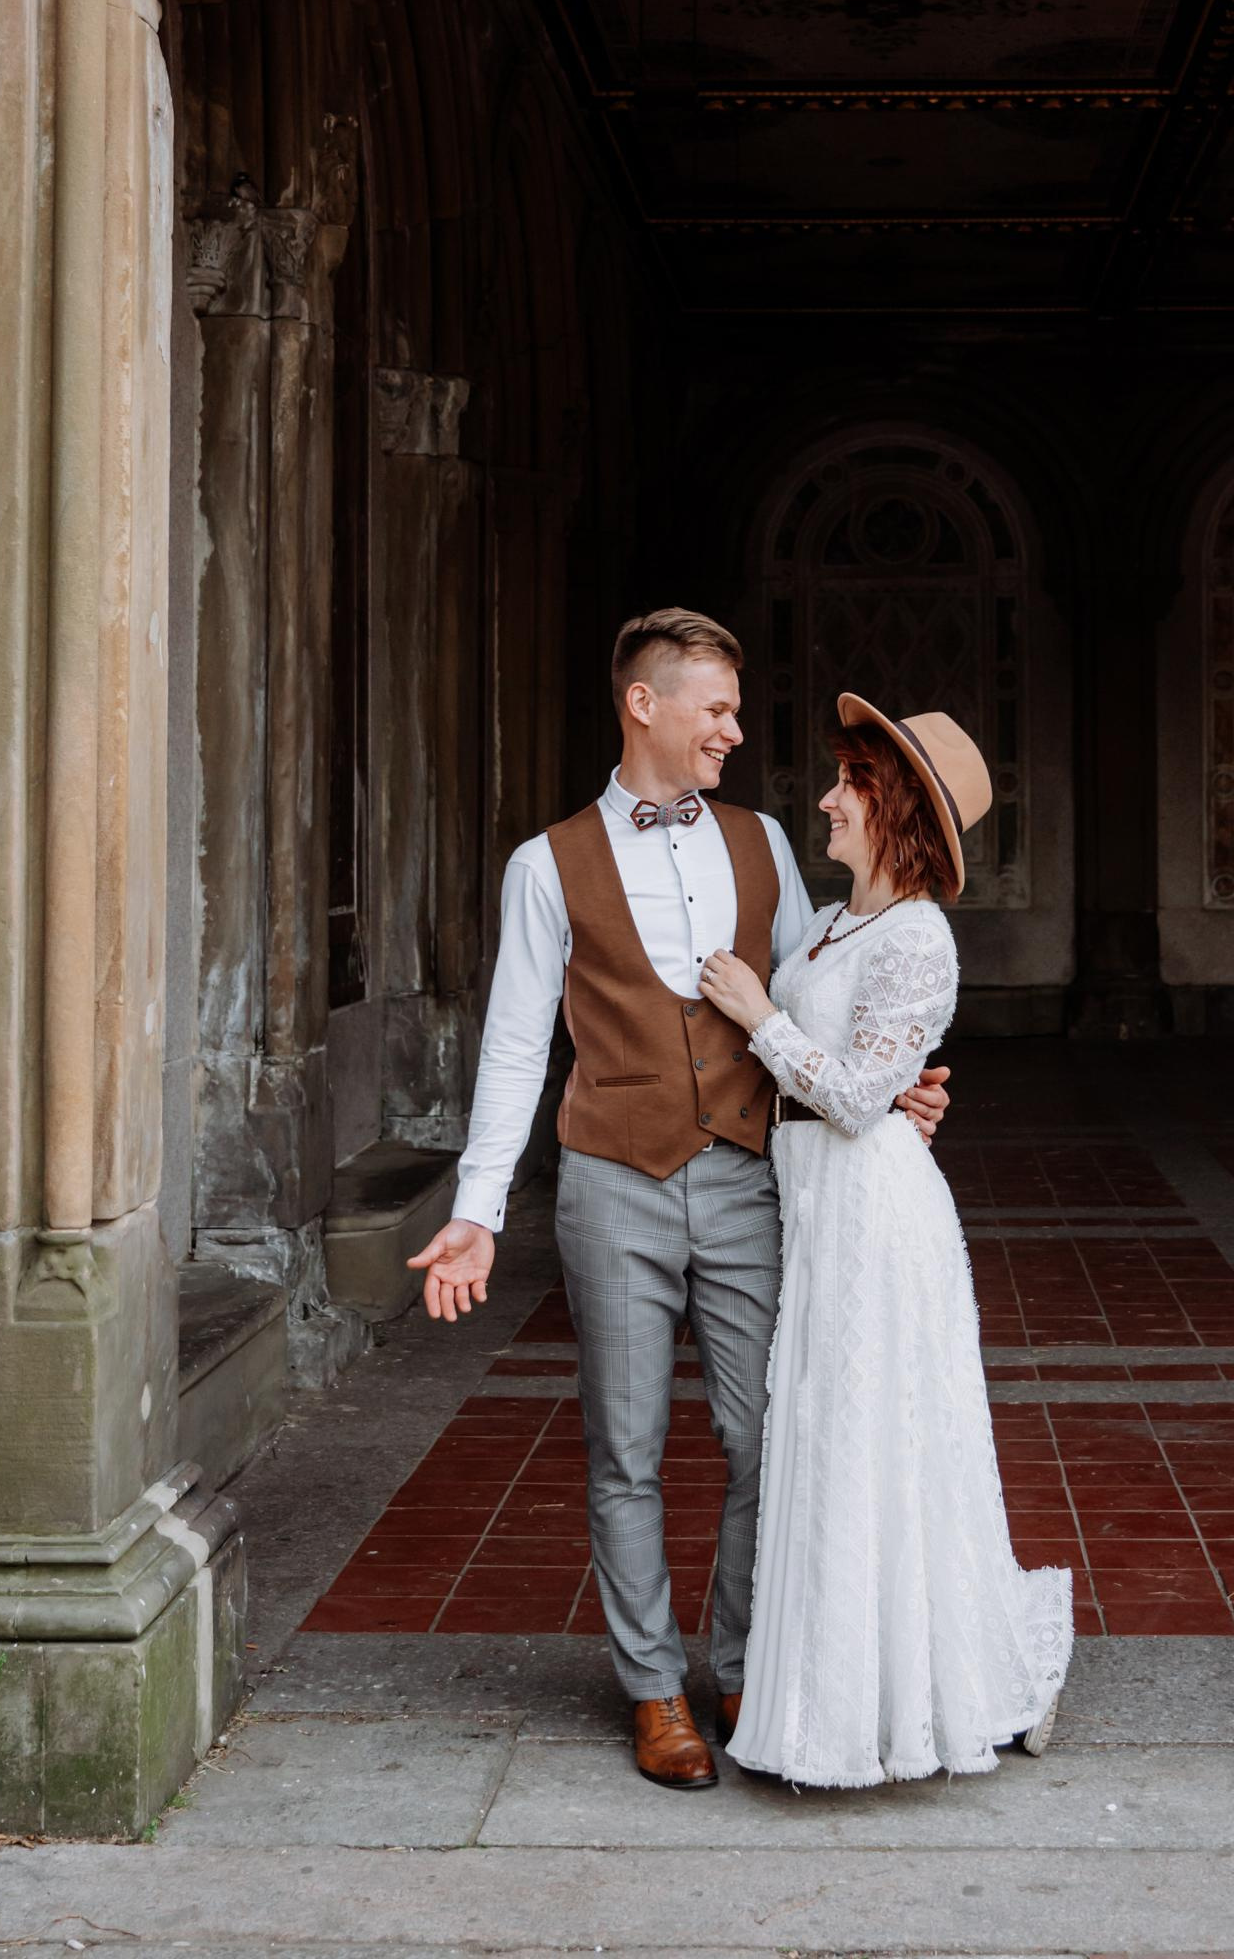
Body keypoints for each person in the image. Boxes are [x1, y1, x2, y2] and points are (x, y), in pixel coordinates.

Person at [408, 611, 950, 1791]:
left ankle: (749, 1661)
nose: (734, 731)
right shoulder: (544, 865)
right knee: (626, 1448)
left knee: (768, 1437)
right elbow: (511, 1049)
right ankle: (655, 1692)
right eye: (715, 710)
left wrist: (900, 1087)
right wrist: (480, 1209)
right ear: (643, 705)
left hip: (752, 1179)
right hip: (612, 1182)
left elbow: (818, 1006)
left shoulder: (760, 842)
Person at [699, 694, 1072, 1788]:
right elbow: (857, 1071)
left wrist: (753, 1011)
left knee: (874, 1445)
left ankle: (900, 1699)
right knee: (822, 1445)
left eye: (845, 783)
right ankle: (830, 1691)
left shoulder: (917, 935)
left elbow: (862, 1098)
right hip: (815, 1207)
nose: (823, 799)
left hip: (873, 1216)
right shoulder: (826, 922)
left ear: (890, 804)